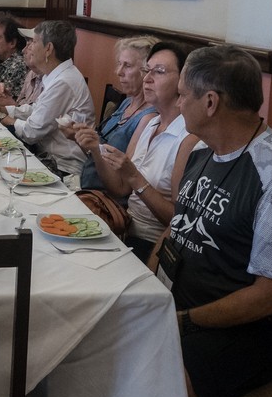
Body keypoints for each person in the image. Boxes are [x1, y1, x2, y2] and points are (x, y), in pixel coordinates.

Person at [147, 45, 272, 397]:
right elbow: (176, 228)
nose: (177, 101)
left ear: (210, 102)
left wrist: (185, 319)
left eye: (183, 94)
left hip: (249, 330)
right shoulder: (203, 153)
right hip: (182, 304)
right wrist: (146, 286)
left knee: (149, 384)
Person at [75, 41, 201, 262]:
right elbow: (120, 188)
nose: (147, 79)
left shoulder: (187, 138)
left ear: (183, 82)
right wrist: (95, 149)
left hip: (151, 244)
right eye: (147, 70)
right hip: (123, 225)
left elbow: (178, 220)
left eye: (159, 72)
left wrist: (135, 177)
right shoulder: (148, 123)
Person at [0, 20, 93, 177]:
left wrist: (0, 116)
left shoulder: (64, 82)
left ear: (48, 49)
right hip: (46, 158)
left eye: (34, 42)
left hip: (62, 168)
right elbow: (35, 109)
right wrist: (2, 109)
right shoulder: (56, 76)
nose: (29, 47)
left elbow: (31, 132)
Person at [65, 36, 158, 189]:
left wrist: (94, 147)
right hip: (86, 184)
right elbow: (95, 155)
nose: (118, 72)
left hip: (105, 200)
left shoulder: (149, 118)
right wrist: (79, 138)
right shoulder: (127, 102)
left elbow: (122, 187)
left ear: (146, 72)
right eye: (119, 64)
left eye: (127, 66)